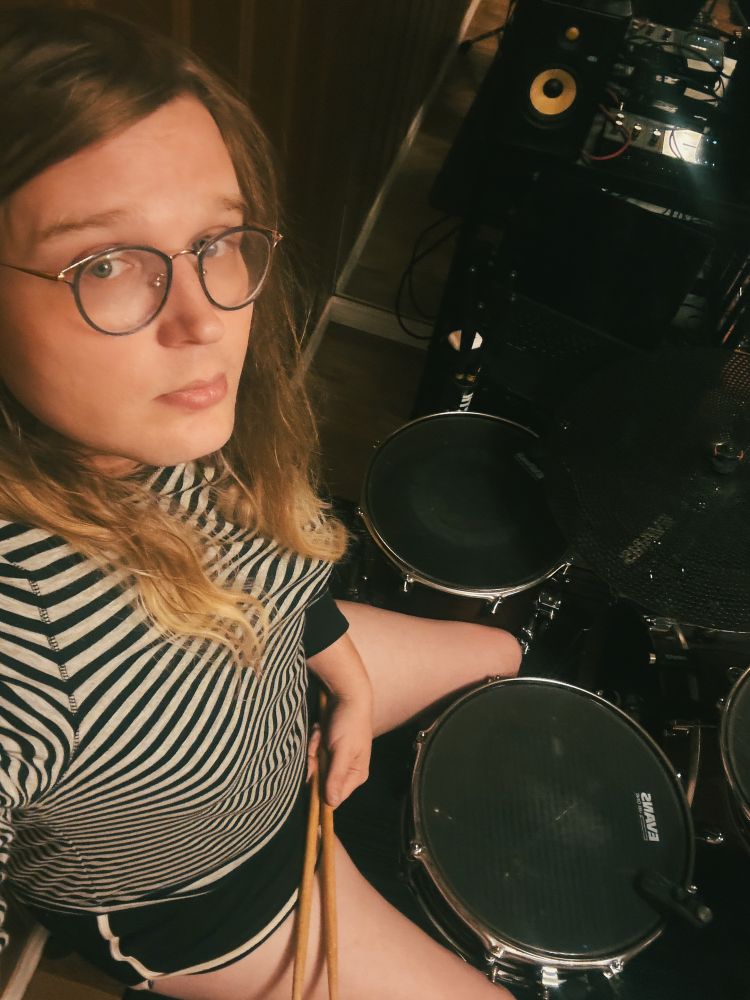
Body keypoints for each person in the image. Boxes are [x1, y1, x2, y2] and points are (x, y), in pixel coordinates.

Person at [0, 8, 521, 999]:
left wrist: (349, 680)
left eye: (217, 240)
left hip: (274, 686)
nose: (203, 318)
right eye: (104, 263)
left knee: (504, 652)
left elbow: (273, 576)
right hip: (223, 889)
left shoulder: (185, 421)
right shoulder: (18, 630)